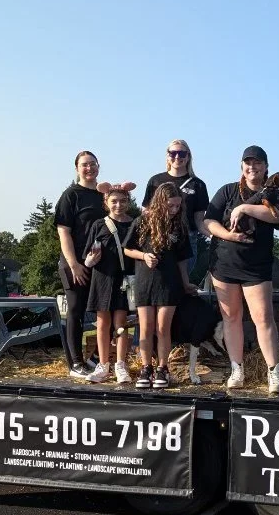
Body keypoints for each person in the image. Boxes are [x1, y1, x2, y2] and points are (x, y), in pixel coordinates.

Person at [203, 145, 279, 394]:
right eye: (248, 163)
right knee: (231, 318)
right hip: (224, 264)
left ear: (265, 167)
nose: (253, 167)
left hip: (257, 267)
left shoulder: (275, 193)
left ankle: (274, 371)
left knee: (263, 318)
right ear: (242, 166)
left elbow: (275, 216)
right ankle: (236, 368)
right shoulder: (227, 191)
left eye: (258, 163)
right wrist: (228, 236)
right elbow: (209, 220)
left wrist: (243, 208)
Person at [125, 182, 196, 390]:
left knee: (163, 327)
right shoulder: (141, 221)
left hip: (170, 282)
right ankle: (146, 367)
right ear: (159, 203)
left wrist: (185, 283)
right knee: (145, 328)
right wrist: (144, 256)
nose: (174, 210)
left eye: (177, 206)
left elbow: (183, 259)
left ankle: (163, 368)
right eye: (170, 206)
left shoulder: (179, 226)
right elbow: (128, 250)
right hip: (145, 281)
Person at [80, 181, 138, 385]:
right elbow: (88, 252)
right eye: (114, 201)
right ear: (106, 202)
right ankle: (103, 364)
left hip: (125, 280)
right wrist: (90, 260)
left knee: (120, 324)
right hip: (102, 278)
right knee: (103, 323)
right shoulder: (99, 224)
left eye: (123, 201)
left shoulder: (135, 223)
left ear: (128, 202)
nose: (119, 205)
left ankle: (120, 364)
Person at [54, 150, 104, 379]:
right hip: (76, 263)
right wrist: (74, 263)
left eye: (93, 164)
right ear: (77, 169)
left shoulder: (104, 194)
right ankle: (75, 363)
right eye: (84, 165)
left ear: (98, 166)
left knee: (110, 311)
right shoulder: (70, 195)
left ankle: (95, 358)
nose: (89, 168)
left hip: (101, 264)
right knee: (76, 311)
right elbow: (63, 232)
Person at [141, 140, 209, 270]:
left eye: (182, 153)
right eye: (173, 153)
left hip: (186, 239)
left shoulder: (198, 185)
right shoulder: (155, 181)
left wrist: (215, 236)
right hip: (158, 237)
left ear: (188, 156)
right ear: (167, 156)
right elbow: (146, 212)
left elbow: (199, 220)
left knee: (182, 283)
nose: (177, 157)